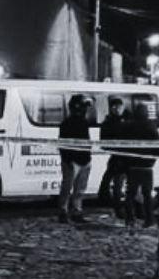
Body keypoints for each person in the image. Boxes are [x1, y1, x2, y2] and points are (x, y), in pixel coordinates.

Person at [120, 103, 159, 228]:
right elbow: (157, 145)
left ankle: (129, 219)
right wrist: (153, 159)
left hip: (132, 164)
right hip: (146, 165)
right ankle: (149, 219)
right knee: (147, 194)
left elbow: (123, 145)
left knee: (130, 194)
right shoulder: (151, 126)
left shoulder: (128, 125)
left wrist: (126, 161)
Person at [58, 94, 92, 224]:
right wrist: (68, 160)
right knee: (67, 188)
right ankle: (63, 212)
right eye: (84, 106)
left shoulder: (84, 122)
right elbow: (63, 145)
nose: (86, 110)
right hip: (72, 162)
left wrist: (88, 158)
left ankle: (77, 211)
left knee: (80, 189)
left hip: (84, 160)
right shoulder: (67, 123)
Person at [98, 97, 125, 211]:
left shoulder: (125, 120)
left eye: (119, 107)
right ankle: (115, 204)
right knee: (115, 179)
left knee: (113, 178)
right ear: (111, 108)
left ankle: (109, 200)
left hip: (122, 155)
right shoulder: (108, 122)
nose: (118, 109)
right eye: (115, 107)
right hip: (117, 155)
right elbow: (104, 140)